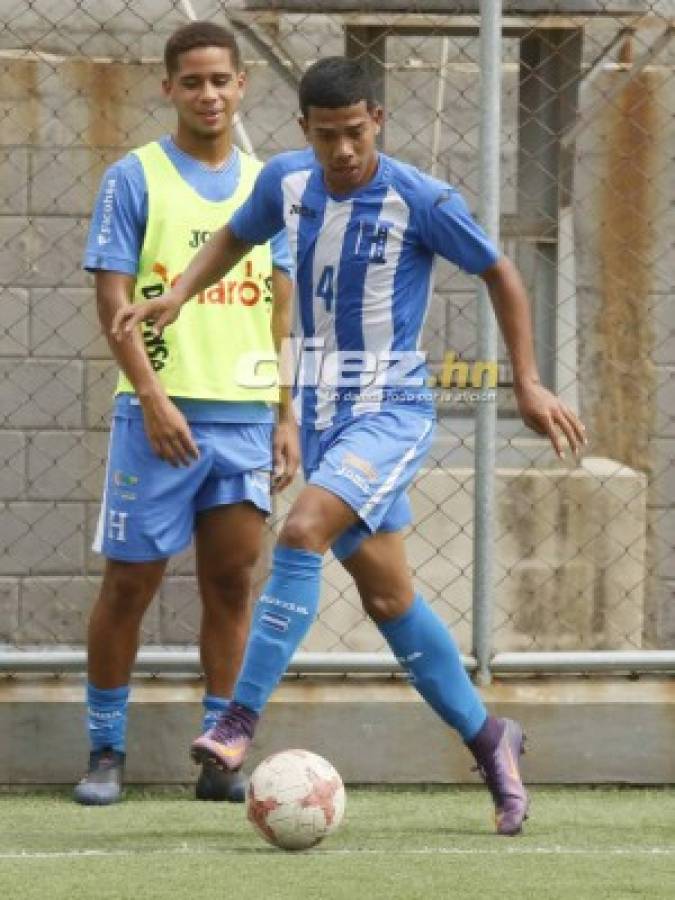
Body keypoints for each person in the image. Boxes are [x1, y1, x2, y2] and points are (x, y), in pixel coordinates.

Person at [114, 56, 586, 835]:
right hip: (327, 413)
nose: (342, 150)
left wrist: (526, 382)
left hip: (391, 412)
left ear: (379, 122)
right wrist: (178, 292)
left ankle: (237, 720)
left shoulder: (418, 197)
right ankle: (488, 737)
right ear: (304, 130)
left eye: (356, 133)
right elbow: (236, 235)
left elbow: (500, 271)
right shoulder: (287, 183)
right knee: (388, 596)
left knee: (300, 529)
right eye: (327, 135)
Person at [73, 22, 297, 806]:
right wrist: (155, 398)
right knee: (129, 584)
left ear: (243, 87)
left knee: (232, 585)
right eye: (192, 81)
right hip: (156, 418)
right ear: (167, 88)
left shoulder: (270, 184)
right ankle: (105, 750)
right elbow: (113, 302)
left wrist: (284, 413)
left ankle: (219, 757)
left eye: (221, 81)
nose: (208, 95)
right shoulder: (133, 178)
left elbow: (279, 306)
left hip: (241, 419)